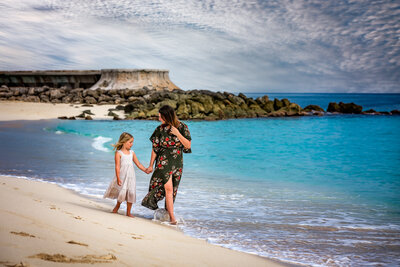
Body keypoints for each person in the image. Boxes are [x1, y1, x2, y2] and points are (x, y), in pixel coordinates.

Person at [142, 105, 192, 225]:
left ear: (167, 116)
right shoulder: (159, 130)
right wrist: (150, 165)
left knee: (172, 190)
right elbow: (155, 149)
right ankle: (173, 219)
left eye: (161, 117)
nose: (159, 119)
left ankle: (166, 215)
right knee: (168, 188)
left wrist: (177, 134)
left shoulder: (182, 127)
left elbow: (188, 145)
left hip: (177, 164)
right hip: (163, 162)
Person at [104, 132, 149, 217]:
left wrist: (145, 170)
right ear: (124, 142)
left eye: (132, 142)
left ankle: (128, 212)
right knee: (122, 193)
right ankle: (117, 207)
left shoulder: (132, 152)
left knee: (131, 193)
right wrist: (118, 178)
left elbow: (138, 164)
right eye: (130, 142)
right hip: (122, 176)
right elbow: (117, 167)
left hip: (131, 177)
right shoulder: (119, 153)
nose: (132, 144)